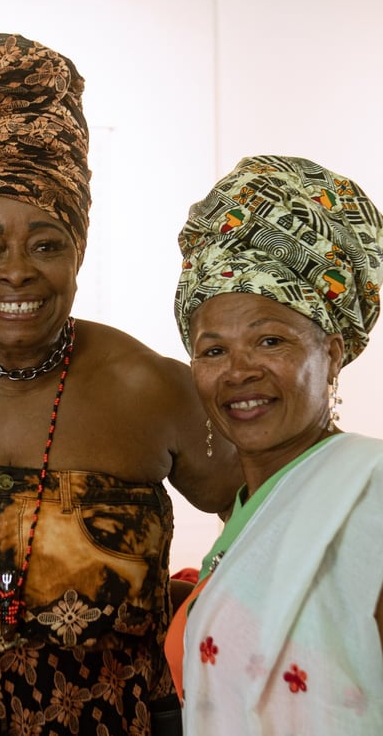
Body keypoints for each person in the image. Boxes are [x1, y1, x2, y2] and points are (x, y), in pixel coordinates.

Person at [0, 32, 241, 735]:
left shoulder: (152, 390)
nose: (17, 272)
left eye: (46, 243)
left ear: (81, 244)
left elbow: (264, 523)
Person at [166, 154, 383, 733]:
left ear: (332, 353)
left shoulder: (371, 499)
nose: (239, 371)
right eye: (213, 350)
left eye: (269, 340)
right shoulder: (247, 515)